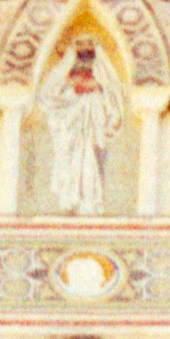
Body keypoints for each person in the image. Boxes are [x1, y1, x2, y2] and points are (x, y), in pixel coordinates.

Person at [41, 32, 119, 213]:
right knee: (69, 156)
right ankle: (69, 200)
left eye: (89, 43)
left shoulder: (100, 71)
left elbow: (111, 93)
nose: (84, 47)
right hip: (71, 120)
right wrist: (72, 84)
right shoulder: (65, 71)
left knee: (89, 157)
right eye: (80, 44)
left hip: (91, 119)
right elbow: (49, 95)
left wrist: (96, 88)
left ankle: (89, 200)